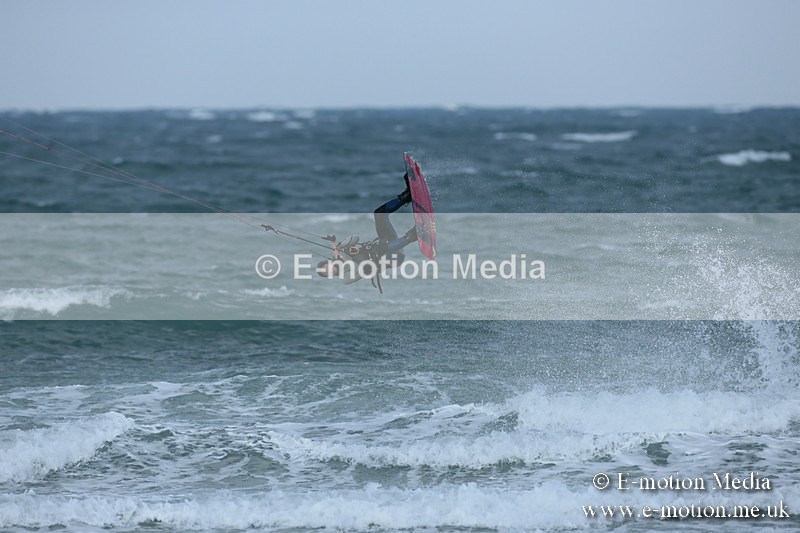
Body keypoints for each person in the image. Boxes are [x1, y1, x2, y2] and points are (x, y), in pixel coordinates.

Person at [316, 173, 418, 283]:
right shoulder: (345, 277)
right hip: (393, 258)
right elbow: (358, 272)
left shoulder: (339, 253)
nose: (328, 269)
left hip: (388, 243)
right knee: (379, 249)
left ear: (327, 262)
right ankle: (413, 235)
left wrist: (339, 245)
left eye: (326, 267)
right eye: (326, 272)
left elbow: (355, 238)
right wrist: (343, 257)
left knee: (379, 214)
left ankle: (406, 197)